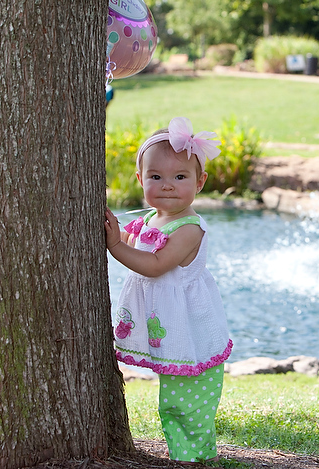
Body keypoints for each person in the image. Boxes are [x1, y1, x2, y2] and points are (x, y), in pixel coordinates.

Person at [104, 117, 232, 465]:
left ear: (199, 181)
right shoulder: (150, 219)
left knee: (186, 405)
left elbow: (156, 265)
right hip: (169, 327)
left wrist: (115, 246)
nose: (168, 186)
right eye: (155, 177)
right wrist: (121, 233)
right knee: (172, 402)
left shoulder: (189, 229)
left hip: (190, 335)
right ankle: (186, 455)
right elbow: (137, 242)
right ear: (140, 180)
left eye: (180, 177)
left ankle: (192, 459)